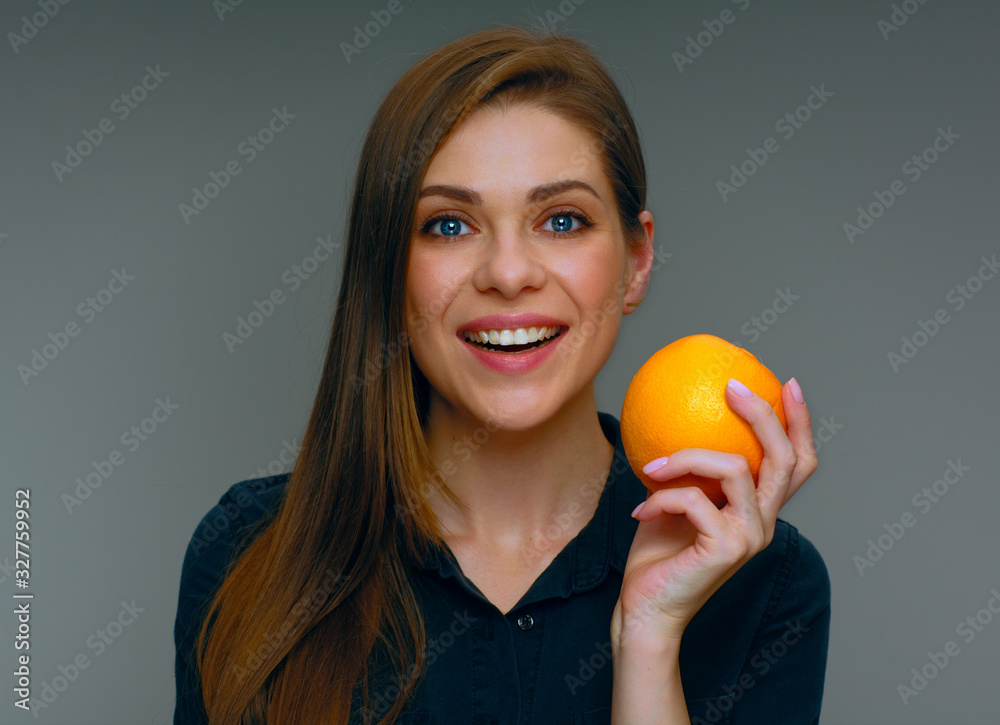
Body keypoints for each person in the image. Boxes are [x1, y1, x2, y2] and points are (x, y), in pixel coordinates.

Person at [173, 24, 830, 725]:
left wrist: (647, 642)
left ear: (637, 261)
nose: (509, 273)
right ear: (389, 268)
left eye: (563, 220)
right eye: (450, 226)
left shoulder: (765, 584)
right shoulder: (250, 554)